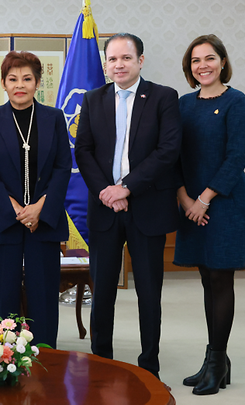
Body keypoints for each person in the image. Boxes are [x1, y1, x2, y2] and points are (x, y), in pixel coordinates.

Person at [74, 33, 181, 379]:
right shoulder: (93, 99)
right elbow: (84, 151)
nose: (118, 65)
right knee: (102, 290)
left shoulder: (163, 97)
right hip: (104, 208)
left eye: (125, 58)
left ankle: (149, 363)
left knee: (149, 293)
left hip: (147, 207)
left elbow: (168, 150)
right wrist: (107, 191)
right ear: (105, 64)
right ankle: (101, 360)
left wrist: (126, 189)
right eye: (112, 59)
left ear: (140, 61)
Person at [173, 34, 245, 395]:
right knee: (207, 278)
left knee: (221, 279)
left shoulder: (237, 102)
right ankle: (215, 359)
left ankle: (217, 361)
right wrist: (186, 200)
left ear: (222, 61)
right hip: (192, 206)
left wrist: (204, 199)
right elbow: (171, 155)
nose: (202, 65)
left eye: (209, 58)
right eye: (195, 60)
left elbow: (236, 157)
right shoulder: (183, 105)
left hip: (225, 203)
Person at [0, 51, 70, 348]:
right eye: (13, 79)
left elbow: (63, 167)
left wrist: (40, 207)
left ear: (38, 83)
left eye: (27, 79)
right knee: (5, 294)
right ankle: (7, 357)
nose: (20, 85)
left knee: (43, 292)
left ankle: (46, 354)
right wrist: (15, 208)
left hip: (45, 218)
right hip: (5, 220)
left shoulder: (54, 118)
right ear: (3, 83)